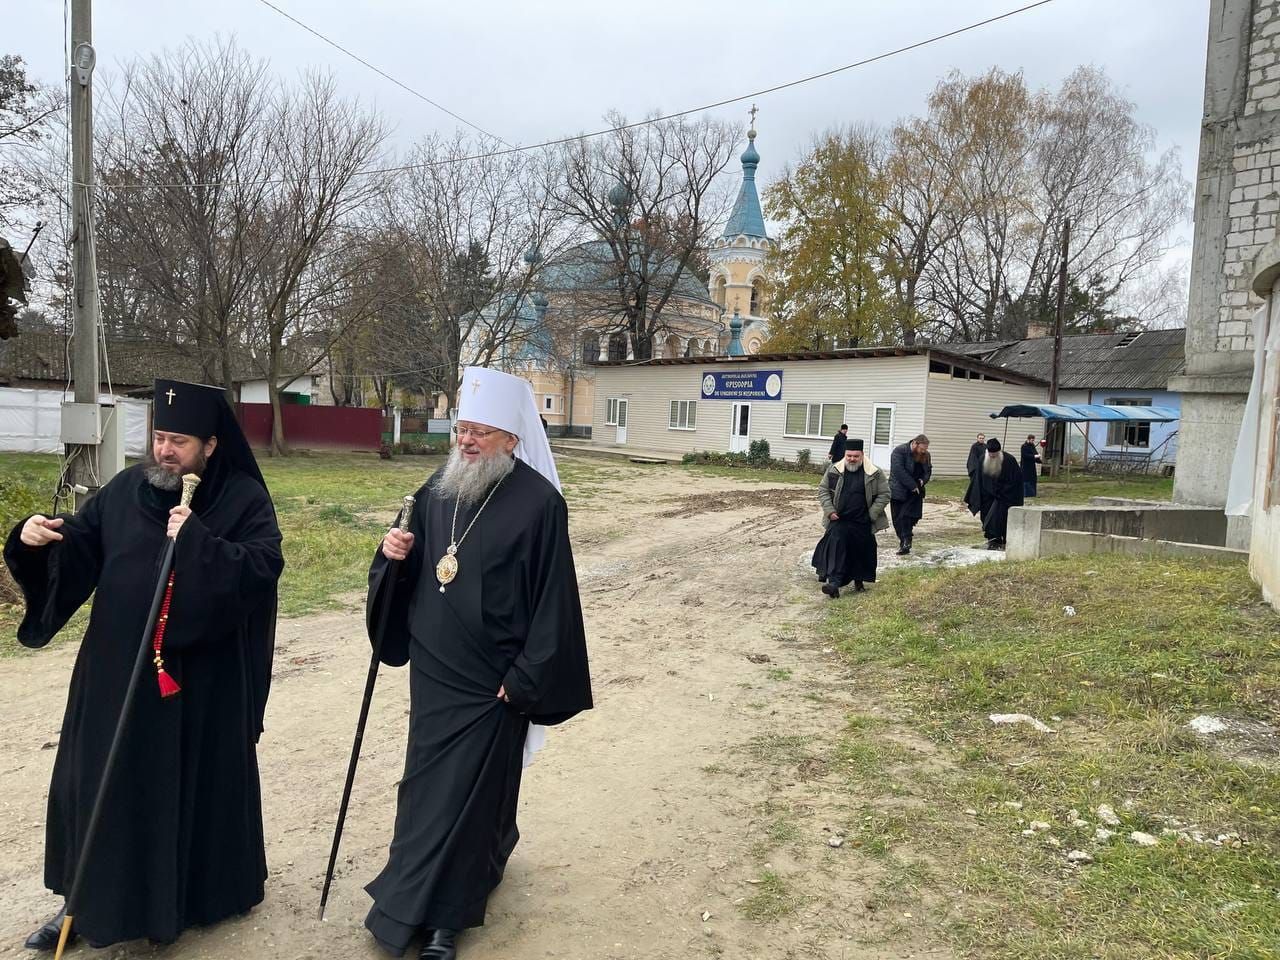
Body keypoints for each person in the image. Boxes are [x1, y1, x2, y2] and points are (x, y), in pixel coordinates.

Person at [3, 379, 283, 951]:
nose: (164, 451)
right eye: (159, 437)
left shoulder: (243, 500)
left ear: (210, 445)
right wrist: (34, 539)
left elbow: (261, 569)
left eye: (179, 442)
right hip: (114, 668)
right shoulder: (127, 488)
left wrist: (197, 542)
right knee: (97, 783)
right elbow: (80, 547)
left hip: (199, 682)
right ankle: (81, 905)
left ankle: (181, 903)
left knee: (181, 790)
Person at [363, 366, 593, 960]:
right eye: (462, 429)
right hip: (435, 672)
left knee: (473, 798)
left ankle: (447, 919)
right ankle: (408, 895)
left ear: (511, 439)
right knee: (424, 789)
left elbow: (554, 600)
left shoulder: (540, 504)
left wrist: (526, 677)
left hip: (493, 683)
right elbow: (410, 563)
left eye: (480, 432)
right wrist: (392, 555)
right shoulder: (436, 488)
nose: (465, 441)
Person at [812, 439, 890, 598]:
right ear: (845, 455)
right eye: (849, 456)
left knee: (861, 551)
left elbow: (885, 494)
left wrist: (872, 514)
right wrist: (829, 511)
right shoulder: (834, 470)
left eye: (856, 456)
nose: (852, 459)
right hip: (839, 519)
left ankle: (858, 580)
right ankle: (834, 584)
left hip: (863, 520)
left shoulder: (874, 472)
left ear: (862, 455)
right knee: (836, 549)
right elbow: (823, 490)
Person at [963, 437, 1025, 549]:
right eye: (990, 455)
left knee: (1002, 519)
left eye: (995, 455)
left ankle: (1005, 540)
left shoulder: (1009, 460)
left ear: (999, 452)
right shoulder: (983, 459)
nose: (992, 457)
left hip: (1004, 497)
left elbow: (1016, 481)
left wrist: (1002, 491)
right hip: (987, 497)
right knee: (987, 519)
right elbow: (978, 479)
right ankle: (992, 541)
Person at [889, 434, 932, 555]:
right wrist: (912, 485)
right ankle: (903, 540)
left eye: (925, 449)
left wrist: (923, 480)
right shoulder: (899, 451)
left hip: (916, 491)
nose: (923, 451)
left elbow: (928, 470)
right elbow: (898, 471)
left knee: (907, 516)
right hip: (899, 490)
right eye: (922, 449)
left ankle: (906, 542)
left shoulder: (926, 454)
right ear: (914, 443)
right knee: (897, 519)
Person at [1020, 434, 1041, 498]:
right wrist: (1034, 456)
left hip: (1032, 466)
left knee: (1032, 479)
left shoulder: (1032, 446)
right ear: (1028, 439)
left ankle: (1032, 494)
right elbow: (1025, 455)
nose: (1033, 441)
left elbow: (1035, 453)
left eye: (1033, 440)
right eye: (1032, 440)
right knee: (1026, 480)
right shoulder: (1024, 446)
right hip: (1025, 466)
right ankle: (1026, 494)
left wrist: (1039, 459)